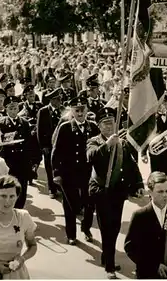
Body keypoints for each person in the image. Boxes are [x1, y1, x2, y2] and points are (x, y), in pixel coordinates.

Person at [87, 107, 145, 279]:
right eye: (105, 123)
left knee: (115, 226)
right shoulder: (94, 141)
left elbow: (131, 166)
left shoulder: (123, 142)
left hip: (118, 192)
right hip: (101, 190)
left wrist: (138, 184)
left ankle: (106, 256)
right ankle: (110, 267)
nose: (109, 126)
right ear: (99, 126)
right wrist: (106, 145)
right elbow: (91, 157)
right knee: (107, 228)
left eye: (111, 123)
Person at [51, 95, 100, 244]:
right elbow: (56, 151)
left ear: (87, 110)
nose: (80, 113)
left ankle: (86, 228)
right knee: (70, 205)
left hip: (88, 173)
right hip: (69, 173)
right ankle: (71, 234)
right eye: (77, 110)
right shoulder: (65, 127)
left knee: (89, 203)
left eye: (82, 110)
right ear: (72, 111)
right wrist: (57, 173)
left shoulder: (93, 127)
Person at [124, 171, 167, 279]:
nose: (165, 195)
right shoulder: (140, 215)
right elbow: (130, 247)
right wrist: (153, 265)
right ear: (150, 192)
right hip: (147, 272)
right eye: (160, 191)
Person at [0, 96, 42, 209]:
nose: (13, 111)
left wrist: (34, 161)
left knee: (22, 190)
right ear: (6, 109)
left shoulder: (24, 123)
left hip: (23, 162)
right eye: (10, 108)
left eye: (15, 108)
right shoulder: (1, 123)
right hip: (8, 162)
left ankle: (19, 212)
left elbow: (31, 143)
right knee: (8, 189)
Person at [36, 88, 63, 198]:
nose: (59, 102)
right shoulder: (43, 111)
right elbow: (39, 130)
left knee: (60, 167)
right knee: (49, 167)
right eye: (57, 100)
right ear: (51, 100)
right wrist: (43, 146)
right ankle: (52, 189)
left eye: (60, 99)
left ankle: (59, 187)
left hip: (60, 145)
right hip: (48, 145)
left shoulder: (63, 110)